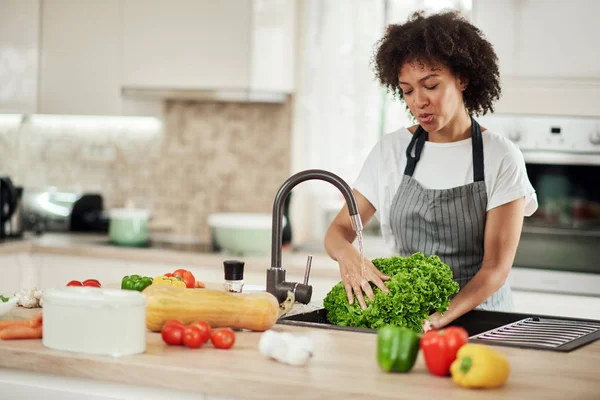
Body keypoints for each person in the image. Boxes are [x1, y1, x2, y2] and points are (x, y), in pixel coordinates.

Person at [324, 10, 538, 331]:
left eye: (431, 85)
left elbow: (495, 268)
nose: (418, 101)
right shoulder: (391, 152)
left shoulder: (500, 156)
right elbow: (338, 231)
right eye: (408, 90)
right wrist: (348, 257)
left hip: (487, 323)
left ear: (462, 79)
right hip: (411, 323)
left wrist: (441, 317)